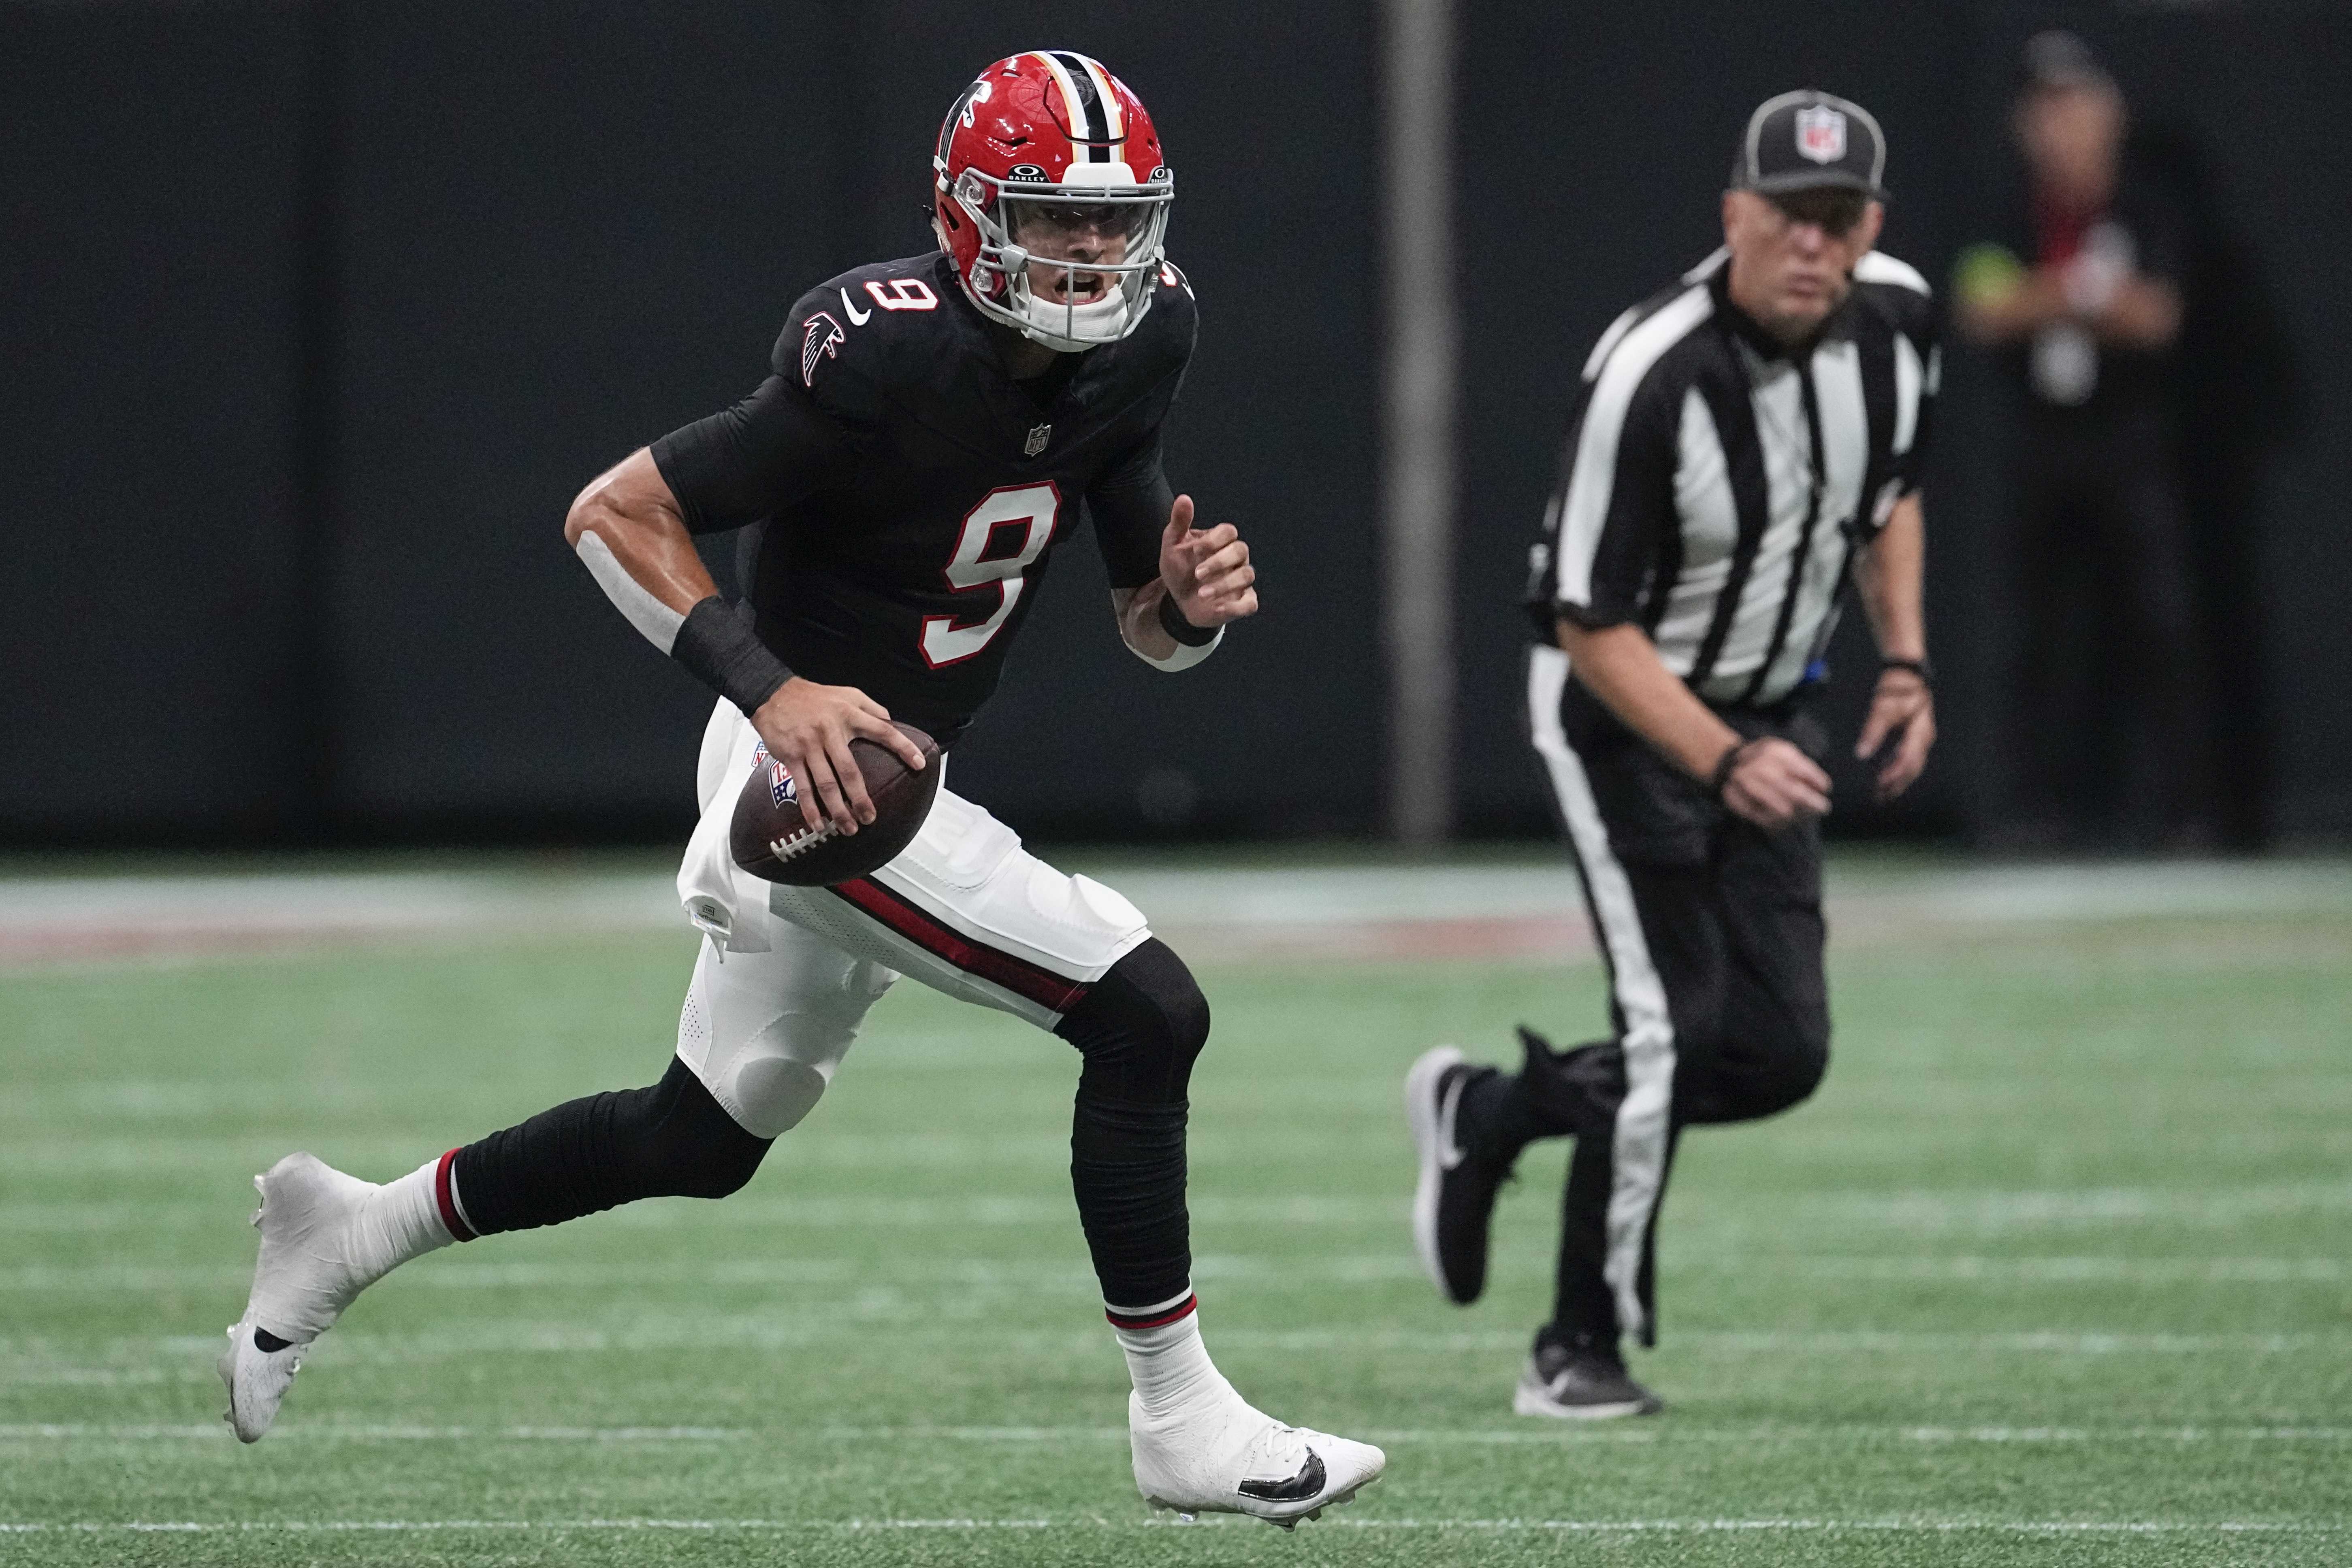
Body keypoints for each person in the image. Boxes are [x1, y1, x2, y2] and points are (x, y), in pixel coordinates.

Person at [218, 50, 1384, 1528]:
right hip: (816, 767)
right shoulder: (882, 348)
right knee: (1146, 1010)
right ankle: (1182, 1422)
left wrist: (1184, 606)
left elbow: (1143, 623)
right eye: (1053, 219)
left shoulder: (1150, 340)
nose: (1092, 256)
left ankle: (349, 1228)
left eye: (1114, 222)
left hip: (884, 770)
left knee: (705, 1136)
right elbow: (613, 511)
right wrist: (768, 687)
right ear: (970, 216)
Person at [1405, 90, 1939, 1418]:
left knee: (1774, 1052)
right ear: (1731, 215)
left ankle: (1499, 1112)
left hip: (1767, 711)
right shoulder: (1652, 368)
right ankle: (1574, 1348)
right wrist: (1717, 759)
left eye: (1835, 219)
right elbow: (1586, 623)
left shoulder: (1897, 324)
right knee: (1670, 1029)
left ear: (1867, 227)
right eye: (1785, 216)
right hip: (1618, 711)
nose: (1809, 246)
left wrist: (1908, 658)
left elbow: (1887, 494)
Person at [1953, 32, 2205, 849]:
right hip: (2039, 442)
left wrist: (2054, 300)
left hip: (2131, 442)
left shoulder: (2147, 205)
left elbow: (2157, 317)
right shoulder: (2007, 207)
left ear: (2109, 115)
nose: (2060, 126)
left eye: (2075, 106)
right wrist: (2075, 293)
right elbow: (1984, 309)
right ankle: (2029, 813)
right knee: (2034, 632)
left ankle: (2186, 812)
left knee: (2160, 624)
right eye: (2044, 110)